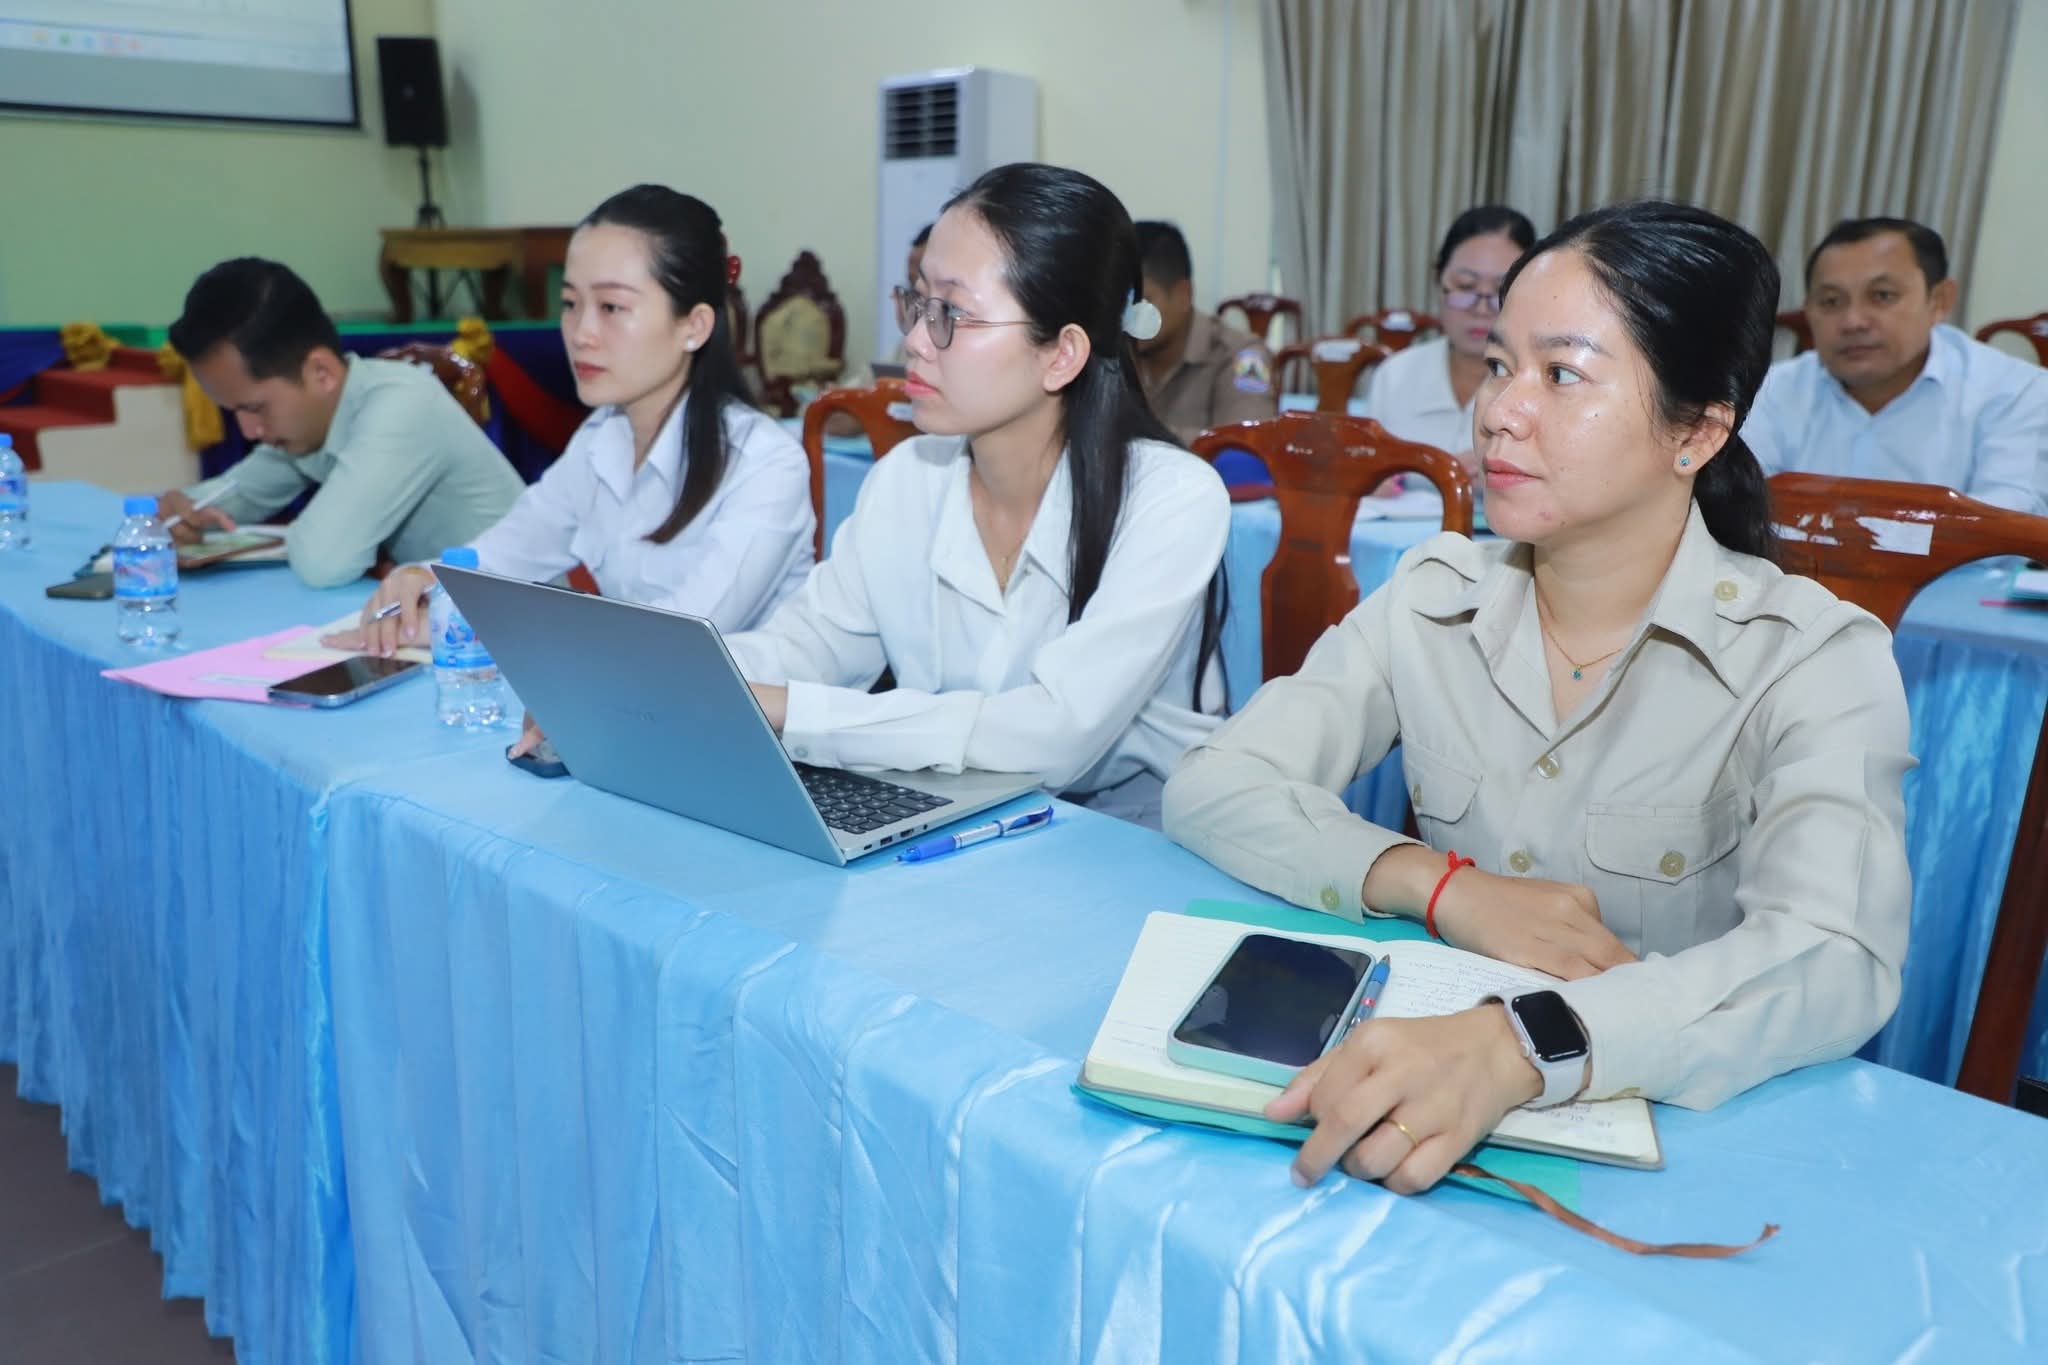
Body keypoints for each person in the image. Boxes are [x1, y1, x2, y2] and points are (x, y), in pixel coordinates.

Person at [1163, 201, 1913, 1195]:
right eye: (1497, 364)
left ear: (1695, 431)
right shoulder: (1433, 598)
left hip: (1679, 1142)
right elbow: (1214, 783)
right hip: (1420, 1084)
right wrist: (1436, 884)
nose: (1498, 411)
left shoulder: (1810, 656)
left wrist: (1527, 1041)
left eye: (1560, 374)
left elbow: (1833, 958)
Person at [723, 164, 1232, 826]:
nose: (913, 341)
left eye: (953, 314)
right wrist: (688, 678)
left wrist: (792, 710)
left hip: (1130, 836)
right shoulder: (908, 476)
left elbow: (1052, 736)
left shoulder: (1171, 499)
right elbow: (809, 645)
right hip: (953, 813)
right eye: (917, 302)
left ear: (1062, 354)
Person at [345, 184, 813, 657]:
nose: (581, 333)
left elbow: (682, 643)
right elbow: (503, 558)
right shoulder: (601, 438)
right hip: (623, 689)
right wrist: (423, 579)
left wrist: (497, 628)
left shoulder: (765, 464)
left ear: (694, 326)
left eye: (612, 307)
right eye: (571, 304)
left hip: (735, 701)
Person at [159, 259, 524, 589]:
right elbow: (235, 497)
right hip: (443, 610)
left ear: (321, 373)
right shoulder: (307, 427)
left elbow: (323, 561)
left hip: (517, 614)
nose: (249, 431)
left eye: (255, 408)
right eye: (233, 411)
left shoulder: (402, 404)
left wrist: (298, 532)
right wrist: (180, 514)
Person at [1741, 216, 2048, 514]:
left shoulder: (2017, 391)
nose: (1853, 321)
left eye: (1882, 296)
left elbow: (2010, 518)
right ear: (1808, 310)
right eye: (1831, 301)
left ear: (1939, 301)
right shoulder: (1767, 391)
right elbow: (1739, 507)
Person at [1359, 205, 1537, 472]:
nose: (1481, 309)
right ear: (1438, 282)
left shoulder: (1546, 385)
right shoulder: (1395, 375)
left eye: (1501, 291)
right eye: (1465, 286)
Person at [1130, 220, 1277, 445]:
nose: (1129, 316)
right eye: (1122, 302)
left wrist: (1133, 437)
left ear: (1183, 295)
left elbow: (1248, 446)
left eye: (1142, 301)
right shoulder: (1111, 351)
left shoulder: (1241, 355)